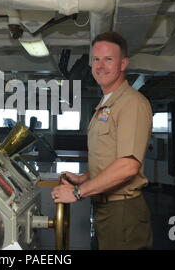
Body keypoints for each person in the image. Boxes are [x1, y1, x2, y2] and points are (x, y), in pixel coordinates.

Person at [51, 31, 153, 250]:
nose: (100, 66)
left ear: (123, 63)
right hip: (106, 209)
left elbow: (128, 166)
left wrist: (77, 192)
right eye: (96, 59)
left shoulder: (131, 103)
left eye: (109, 59)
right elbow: (110, 159)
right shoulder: (106, 104)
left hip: (122, 212)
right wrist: (83, 178)